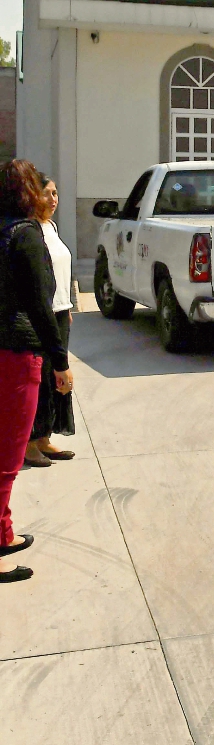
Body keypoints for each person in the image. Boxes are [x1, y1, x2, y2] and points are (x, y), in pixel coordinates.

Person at [0, 160, 72, 584]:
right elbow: (41, 308)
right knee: (7, 460)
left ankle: (4, 533)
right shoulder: (26, 237)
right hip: (17, 353)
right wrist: (60, 363)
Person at [24, 177, 75, 468]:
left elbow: (60, 272)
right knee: (41, 378)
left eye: (56, 193)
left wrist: (66, 306)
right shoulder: (28, 231)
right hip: (40, 317)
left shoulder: (52, 228)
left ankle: (44, 438)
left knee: (58, 380)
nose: (53, 199)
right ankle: (30, 442)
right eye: (46, 194)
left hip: (60, 313)